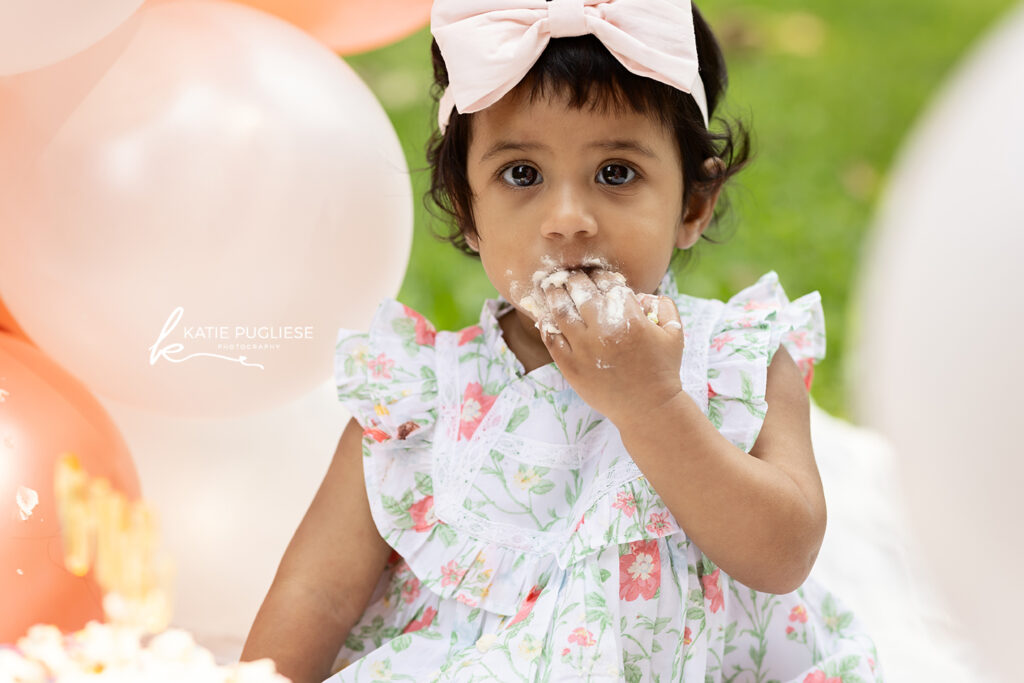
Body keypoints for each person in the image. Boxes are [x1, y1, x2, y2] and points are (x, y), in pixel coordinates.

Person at [241, 1, 883, 681]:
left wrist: (654, 405)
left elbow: (783, 553)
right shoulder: (417, 394)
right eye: (522, 173)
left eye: (616, 172)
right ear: (468, 208)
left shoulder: (738, 358)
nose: (568, 219)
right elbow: (318, 591)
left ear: (693, 205)